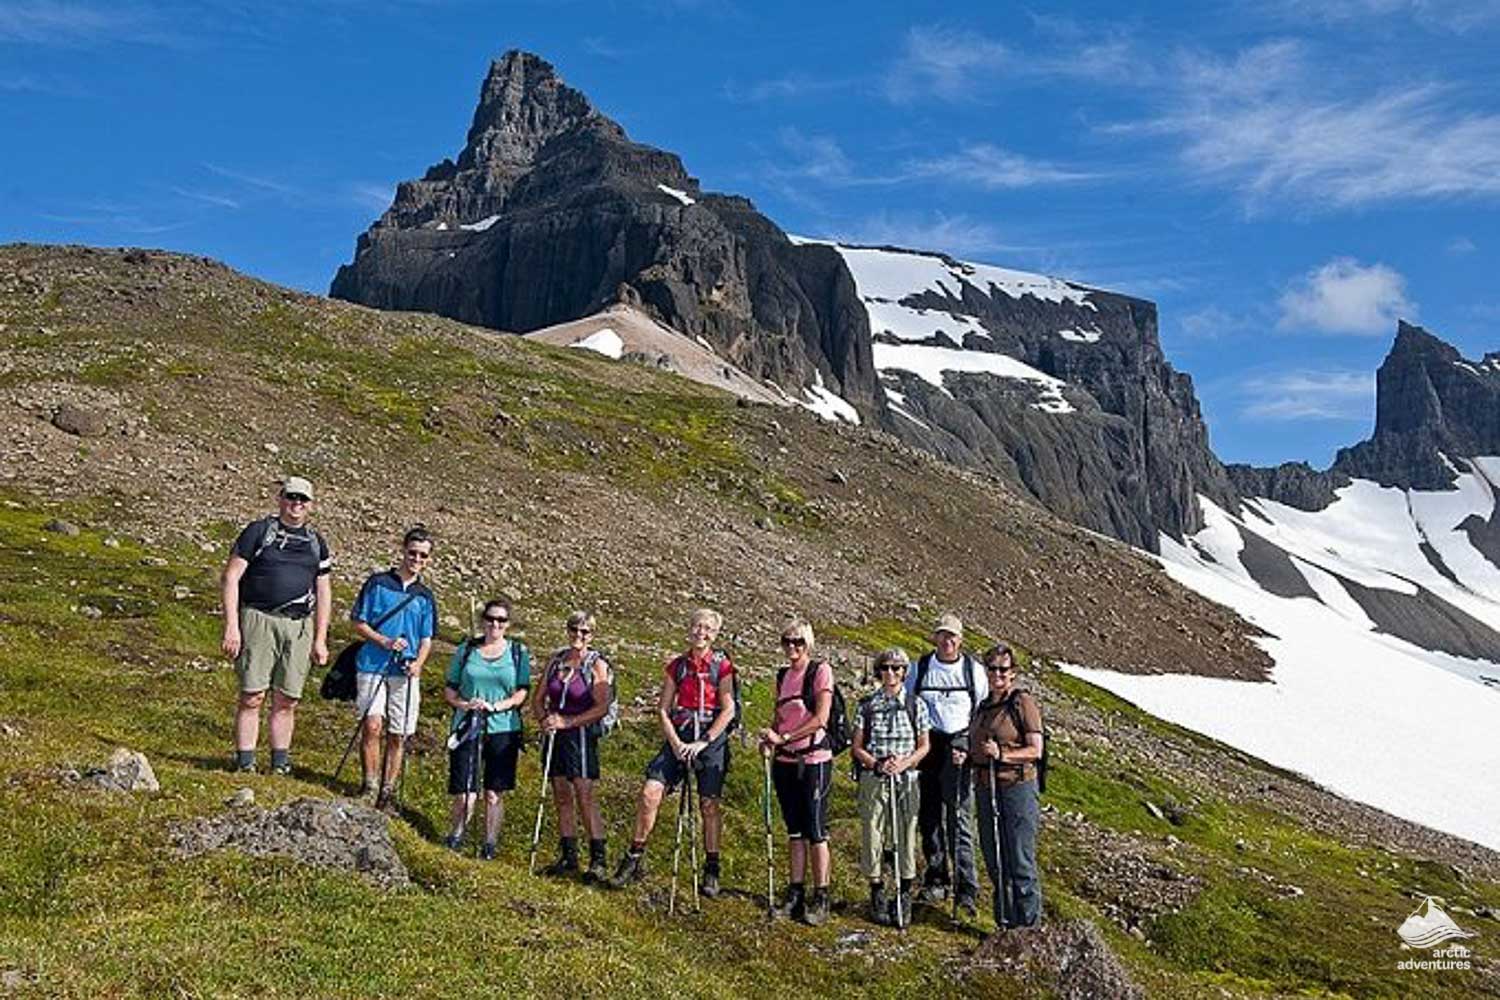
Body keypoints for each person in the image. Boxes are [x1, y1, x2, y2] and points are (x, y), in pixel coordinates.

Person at [609, 608, 736, 896]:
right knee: (649, 792)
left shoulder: (722, 666)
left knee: (709, 804)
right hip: (679, 737)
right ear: (689, 628)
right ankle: (634, 857)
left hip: (709, 740)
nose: (700, 632)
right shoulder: (677, 666)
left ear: (715, 634)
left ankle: (712, 867)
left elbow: (729, 710)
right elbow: (663, 709)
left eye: (707, 628)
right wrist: (676, 743)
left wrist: (704, 741)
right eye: (696, 626)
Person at [221, 476, 332, 775]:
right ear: (281, 498)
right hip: (259, 618)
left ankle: (280, 763)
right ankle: (246, 762)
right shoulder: (258, 532)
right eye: (291, 497)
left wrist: (320, 638)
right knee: (252, 694)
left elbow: (323, 591)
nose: (297, 504)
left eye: (303, 499)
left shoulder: (316, 543)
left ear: (310, 505)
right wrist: (232, 626)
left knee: (288, 698)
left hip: (298, 625)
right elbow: (231, 577)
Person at [906, 611, 989, 918]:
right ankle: (936, 876)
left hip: (959, 748)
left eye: (952, 636)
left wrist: (968, 744)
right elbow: (910, 704)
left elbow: (982, 713)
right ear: (935, 637)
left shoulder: (974, 671)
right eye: (942, 634)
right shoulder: (921, 667)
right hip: (929, 746)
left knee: (960, 819)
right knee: (929, 817)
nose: (947, 640)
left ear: (961, 640)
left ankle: (967, 888)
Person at [350, 526, 437, 810]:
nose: (416, 559)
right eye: (412, 552)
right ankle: (369, 785)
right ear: (403, 550)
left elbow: (426, 639)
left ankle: (386, 792)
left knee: (399, 733)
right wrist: (383, 641)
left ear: (428, 559)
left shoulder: (425, 596)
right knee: (373, 725)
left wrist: (419, 664)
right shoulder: (377, 584)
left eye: (423, 555)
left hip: (406, 671)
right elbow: (358, 622)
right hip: (373, 664)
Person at [758, 618, 836, 925]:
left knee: (816, 829)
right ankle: (795, 892)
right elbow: (780, 717)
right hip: (785, 761)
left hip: (814, 758)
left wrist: (786, 738)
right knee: (795, 830)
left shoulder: (820, 671)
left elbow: (821, 718)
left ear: (809, 644)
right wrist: (771, 740)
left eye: (798, 642)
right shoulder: (782, 676)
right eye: (787, 641)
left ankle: (822, 895)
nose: (792, 647)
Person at [442, 599, 530, 860]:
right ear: (483, 620)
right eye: (491, 618)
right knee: (465, 791)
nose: (495, 624)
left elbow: (522, 691)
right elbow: (450, 688)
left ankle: (489, 844)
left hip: (503, 728)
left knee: (494, 792)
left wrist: (497, 706)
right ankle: (456, 835)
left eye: (501, 620)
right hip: (467, 725)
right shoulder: (466, 649)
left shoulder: (517, 652)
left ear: (508, 624)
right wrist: (464, 704)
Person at [851, 647, 930, 926]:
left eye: (897, 669)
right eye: (885, 668)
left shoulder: (916, 705)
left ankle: (905, 892)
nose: (891, 673)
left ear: (905, 673)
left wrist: (905, 763)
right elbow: (857, 746)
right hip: (875, 776)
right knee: (872, 830)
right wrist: (876, 764)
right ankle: (876, 891)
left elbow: (924, 746)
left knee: (906, 832)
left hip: (906, 778)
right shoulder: (867, 705)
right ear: (878, 671)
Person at [969, 643, 1045, 929]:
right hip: (986, 789)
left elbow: (1035, 750)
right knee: (995, 859)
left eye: (1003, 669)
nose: (997, 674)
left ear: (1013, 673)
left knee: (1020, 861)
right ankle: (1005, 925)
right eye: (992, 668)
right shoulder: (984, 706)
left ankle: (1029, 930)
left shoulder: (1022, 703)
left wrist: (1003, 755)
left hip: (1017, 788)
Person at [534, 610, 612, 881]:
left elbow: (602, 706)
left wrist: (570, 721)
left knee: (585, 794)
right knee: (561, 793)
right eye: (574, 630)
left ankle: (598, 859)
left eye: (585, 632)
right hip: (556, 735)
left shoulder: (596, 664)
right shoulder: (557, 661)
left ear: (592, 635)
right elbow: (539, 697)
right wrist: (544, 720)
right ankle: (569, 856)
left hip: (581, 736)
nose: (578, 636)